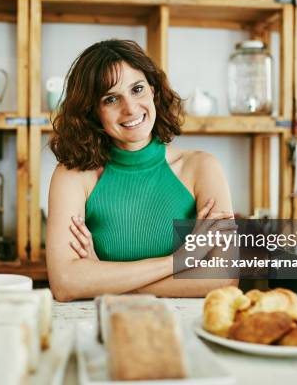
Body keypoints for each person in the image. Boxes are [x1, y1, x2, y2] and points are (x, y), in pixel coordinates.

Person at [46, 39, 237, 302]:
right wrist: (178, 262)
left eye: (137, 89)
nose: (130, 108)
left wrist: (101, 280)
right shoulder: (72, 176)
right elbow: (65, 284)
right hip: (102, 329)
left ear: (153, 92)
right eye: (111, 98)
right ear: (92, 112)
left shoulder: (203, 168)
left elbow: (225, 278)